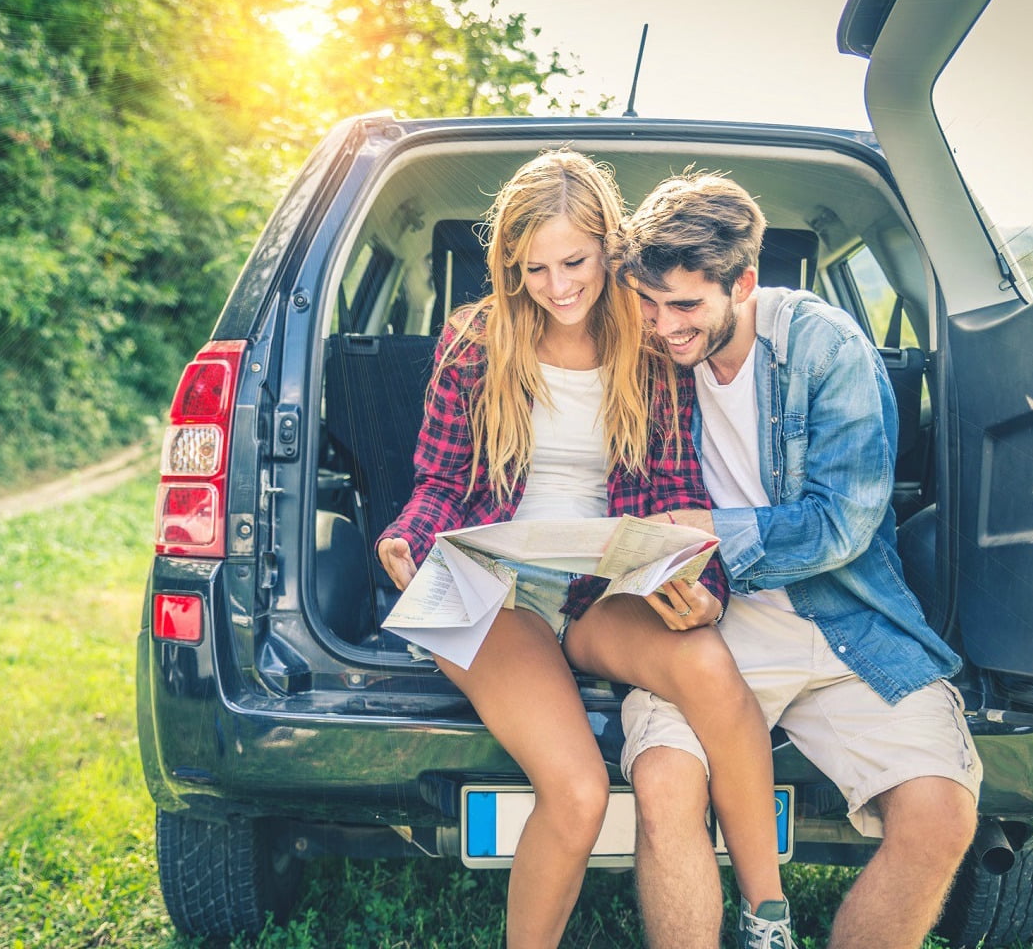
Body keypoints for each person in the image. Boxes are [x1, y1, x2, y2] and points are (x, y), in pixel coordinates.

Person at [376, 150, 790, 949]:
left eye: (575, 261)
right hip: (493, 593)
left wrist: (703, 588)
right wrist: (408, 540)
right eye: (534, 269)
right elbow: (437, 482)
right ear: (509, 265)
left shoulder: (650, 343)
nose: (559, 285)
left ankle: (768, 917)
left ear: (609, 246)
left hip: (605, 589)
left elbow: (675, 494)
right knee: (575, 793)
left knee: (706, 660)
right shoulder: (475, 340)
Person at [606, 173, 983, 949]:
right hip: (709, 626)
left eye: (685, 307)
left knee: (942, 815)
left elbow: (845, 523)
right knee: (664, 782)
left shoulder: (825, 345)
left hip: (847, 619)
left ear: (745, 282)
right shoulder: (641, 353)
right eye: (648, 305)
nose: (662, 328)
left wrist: (707, 528)